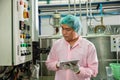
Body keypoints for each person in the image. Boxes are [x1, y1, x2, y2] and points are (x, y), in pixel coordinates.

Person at [45, 14, 98, 80]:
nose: (64, 33)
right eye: (63, 29)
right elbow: (49, 64)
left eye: (67, 30)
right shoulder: (57, 45)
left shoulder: (88, 46)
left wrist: (79, 71)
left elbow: (93, 71)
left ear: (76, 29)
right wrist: (57, 65)